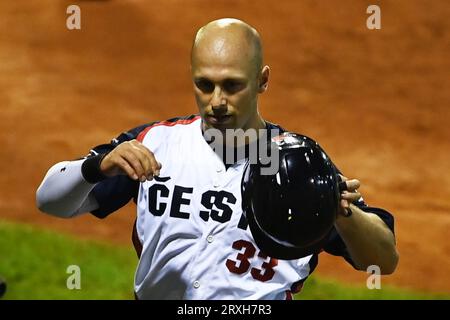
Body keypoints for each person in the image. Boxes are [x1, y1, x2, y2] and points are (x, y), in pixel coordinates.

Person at [36, 18, 398, 300]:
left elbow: (382, 262)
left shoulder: (295, 164)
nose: (217, 101)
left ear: (262, 80)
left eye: (232, 85)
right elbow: (50, 203)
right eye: (204, 85)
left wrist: (342, 213)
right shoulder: (155, 143)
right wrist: (94, 167)